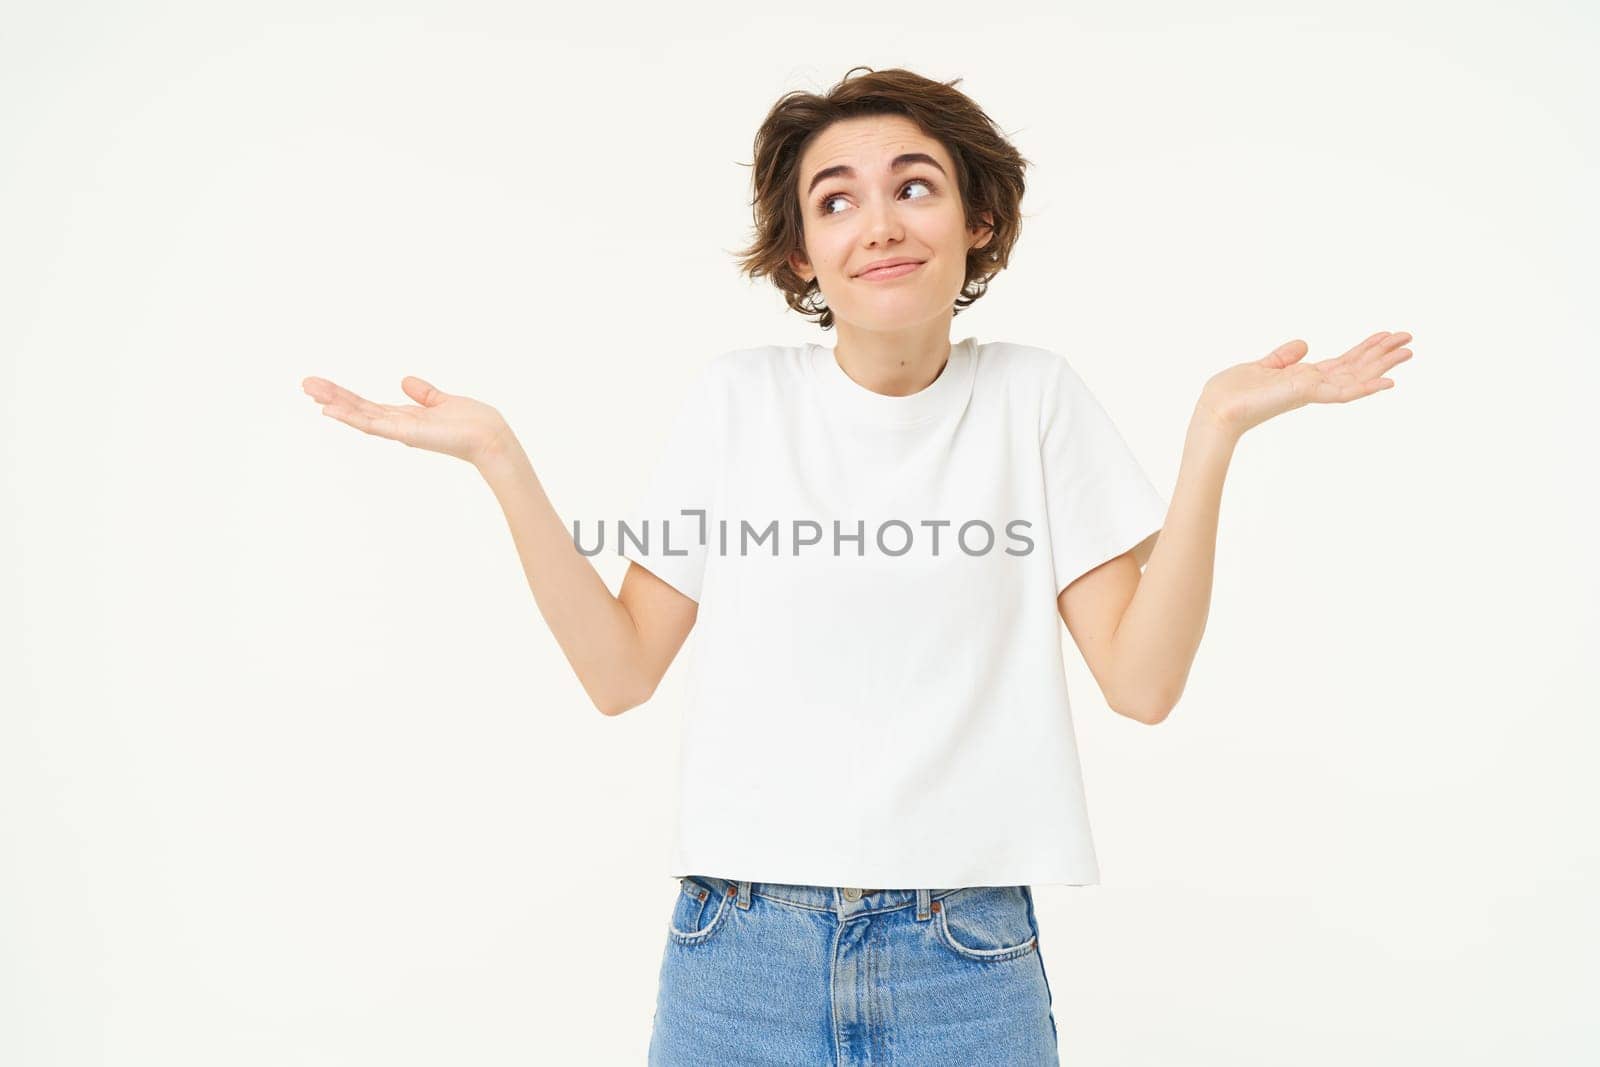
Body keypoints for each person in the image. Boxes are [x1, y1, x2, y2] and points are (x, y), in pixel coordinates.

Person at [301, 66, 1412, 1066]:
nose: (877, 223)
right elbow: (619, 668)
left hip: (965, 962)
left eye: (913, 186)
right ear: (800, 252)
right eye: (834, 199)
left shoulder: (1034, 399)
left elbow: (1142, 681)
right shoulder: (738, 402)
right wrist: (500, 458)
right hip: (736, 956)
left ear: (979, 218)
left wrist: (1213, 428)